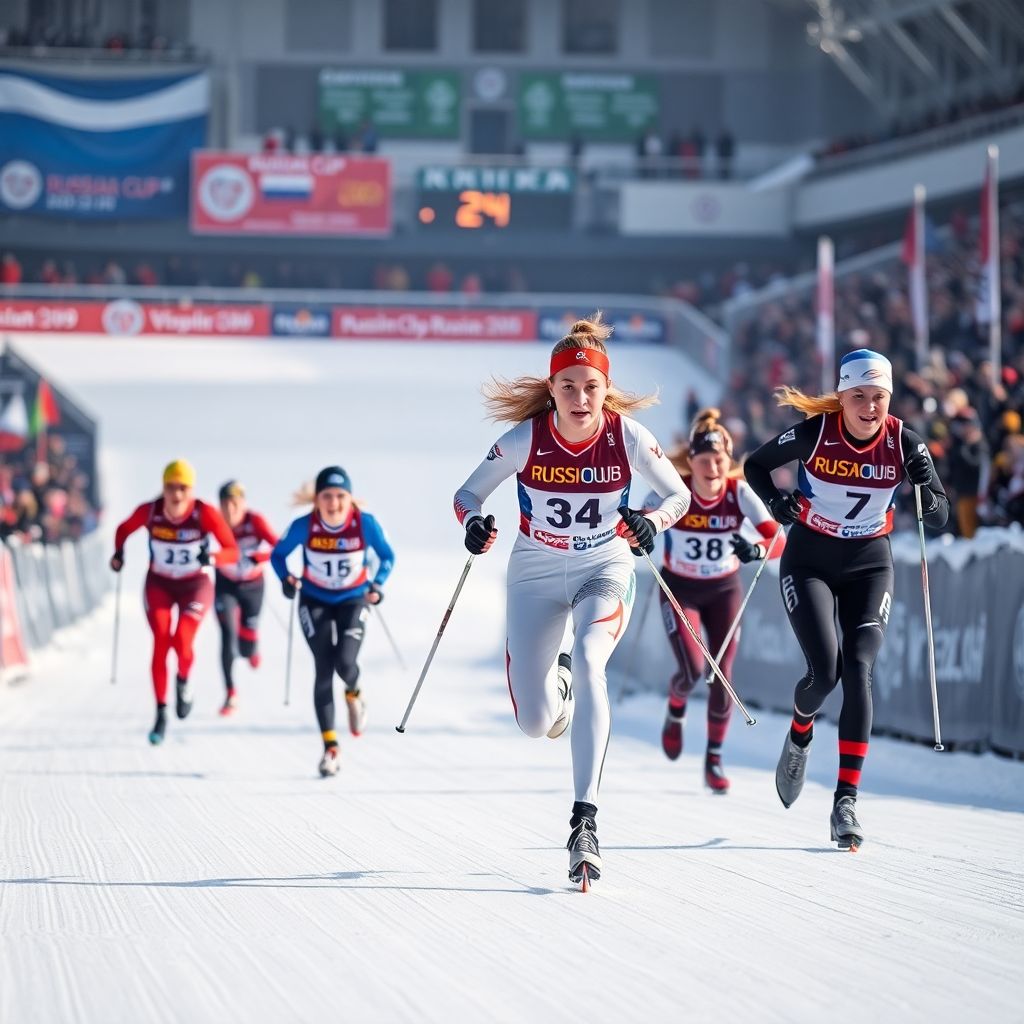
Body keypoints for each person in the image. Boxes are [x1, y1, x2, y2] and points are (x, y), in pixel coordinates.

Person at [453, 314, 690, 888]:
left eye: (592, 386)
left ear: (606, 390)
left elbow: (678, 494)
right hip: (535, 573)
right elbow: (467, 494)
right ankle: (555, 687)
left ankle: (584, 822)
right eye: (569, 386)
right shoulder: (524, 439)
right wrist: (475, 525)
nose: (581, 397)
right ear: (552, 388)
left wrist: (650, 523)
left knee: (590, 662)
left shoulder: (627, 436)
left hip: (603, 566)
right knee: (535, 723)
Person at [744, 349, 949, 850]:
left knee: (859, 668)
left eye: (879, 397)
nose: (870, 407)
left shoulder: (905, 443)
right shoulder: (816, 432)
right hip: (810, 558)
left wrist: (926, 490)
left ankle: (846, 800)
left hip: (869, 564)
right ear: (841, 397)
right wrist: (778, 502)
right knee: (824, 673)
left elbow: (939, 517)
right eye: (859, 396)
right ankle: (799, 733)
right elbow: (755, 466)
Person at [656, 409, 784, 791]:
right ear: (690, 461)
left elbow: (778, 539)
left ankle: (714, 758)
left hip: (724, 590)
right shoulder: (675, 488)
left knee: (722, 678)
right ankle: (676, 709)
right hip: (680, 589)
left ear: (730, 462)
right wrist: (640, 530)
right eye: (705, 460)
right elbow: (637, 519)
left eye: (720, 460)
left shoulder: (738, 492)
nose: (712, 468)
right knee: (693, 670)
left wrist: (757, 550)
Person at [271, 467, 394, 778]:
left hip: (354, 599)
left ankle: (354, 692)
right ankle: (330, 749)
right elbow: (278, 555)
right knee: (324, 666)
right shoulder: (304, 526)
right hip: (314, 600)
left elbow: (386, 556)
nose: (334, 503)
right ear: (317, 500)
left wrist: (377, 584)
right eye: (327, 496)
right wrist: (286, 580)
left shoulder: (365, 524)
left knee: (345, 662)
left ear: (350, 498)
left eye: (341, 496)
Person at [110, 460, 239, 744]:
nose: (177, 495)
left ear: (191, 490)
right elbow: (122, 529)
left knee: (182, 640)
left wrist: (214, 558)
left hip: (195, 585)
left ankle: (183, 679)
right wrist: (119, 554)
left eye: (183, 488)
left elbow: (232, 550)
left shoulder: (203, 513)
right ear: (163, 487)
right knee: (161, 641)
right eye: (171, 488)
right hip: (160, 585)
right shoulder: (151, 511)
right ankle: (160, 713)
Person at [214, 480, 278, 716]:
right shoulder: (216, 523)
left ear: (243, 503)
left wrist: (258, 557)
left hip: (253, 586)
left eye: (235, 503)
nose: (231, 510)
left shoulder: (255, 521)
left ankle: (252, 647)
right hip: (226, 585)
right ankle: (230, 693)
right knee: (227, 635)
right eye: (226, 504)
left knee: (245, 647)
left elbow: (279, 547)